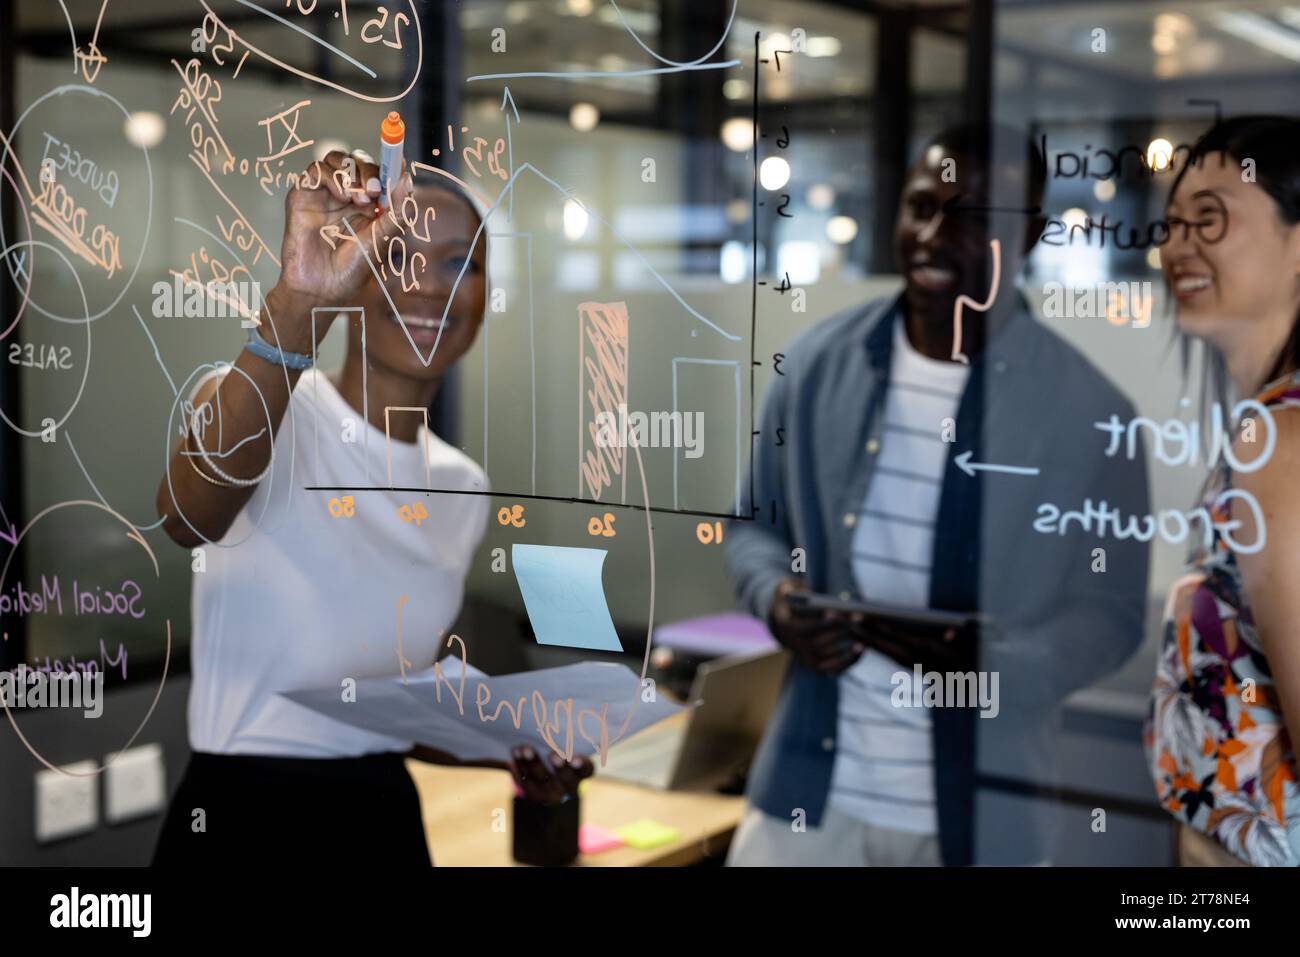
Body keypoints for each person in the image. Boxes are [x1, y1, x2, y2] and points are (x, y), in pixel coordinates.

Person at [726, 125, 1151, 866]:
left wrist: (1001, 667)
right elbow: (752, 527)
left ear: (1032, 236)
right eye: (921, 206)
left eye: (972, 218)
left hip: (986, 816)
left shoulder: (1094, 414)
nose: (932, 235)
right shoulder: (817, 365)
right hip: (810, 797)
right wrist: (776, 599)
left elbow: (1110, 614)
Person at [151, 148, 589, 866]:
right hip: (245, 819)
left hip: (381, 814)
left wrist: (514, 749)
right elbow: (184, 516)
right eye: (398, 255)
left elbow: (380, 708)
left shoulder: (462, 485)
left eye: (459, 263)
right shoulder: (267, 410)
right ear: (354, 275)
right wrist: (298, 301)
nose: (431, 287)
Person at [1147, 116, 1300, 867]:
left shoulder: (1280, 443)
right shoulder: (1267, 426)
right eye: (1172, 222)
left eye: (1209, 217)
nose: (1177, 245)